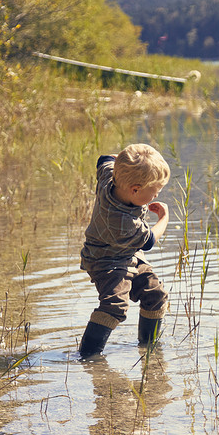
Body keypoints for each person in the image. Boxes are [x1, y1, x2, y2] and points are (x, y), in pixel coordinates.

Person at [78, 143, 170, 358]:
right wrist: (164, 217)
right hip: (105, 261)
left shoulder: (110, 177)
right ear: (135, 189)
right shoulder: (122, 221)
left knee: (155, 294)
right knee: (115, 305)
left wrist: (129, 161)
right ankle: (88, 356)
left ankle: (149, 350)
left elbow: (104, 159)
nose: (155, 197)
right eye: (154, 192)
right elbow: (148, 241)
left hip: (128, 254)